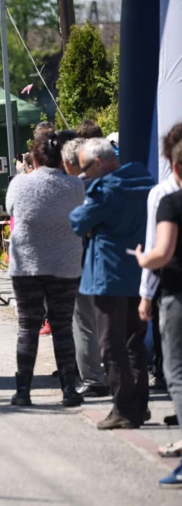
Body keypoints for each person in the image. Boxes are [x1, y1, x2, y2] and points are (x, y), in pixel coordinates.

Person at [70, 138, 154, 429]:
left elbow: (78, 221)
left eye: (84, 169)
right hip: (138, 271)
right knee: (134, 342)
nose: (82, 175)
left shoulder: (105, 190)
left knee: (109, 345)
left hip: (107, 276)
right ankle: (139, 406)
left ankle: (123, 408)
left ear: (97, 163)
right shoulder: (143, 180)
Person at [5, 132, 86, 407]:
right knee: (63, 328)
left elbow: (11, 210)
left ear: (35, 159)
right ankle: (69, 390)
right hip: (64, 265)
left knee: (27, 328)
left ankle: (23, 390)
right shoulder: (75, 185)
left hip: (27, 264)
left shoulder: (19, 183)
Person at [135, 140, 182, 487]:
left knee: (177, 374)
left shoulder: (169, 200)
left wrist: (143, 262)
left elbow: (160, 252)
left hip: (177, 295)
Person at [60, 137, 109, 397]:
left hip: (84, 261)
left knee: (84, 321)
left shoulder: (76, 188)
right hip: (112, 262)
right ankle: (109, 373)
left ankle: (93, 378)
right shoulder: (111, 184)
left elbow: (76, 225)